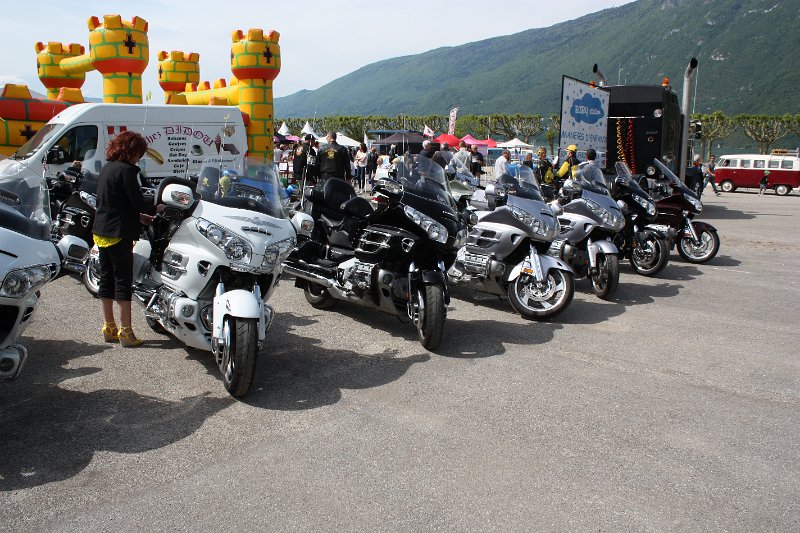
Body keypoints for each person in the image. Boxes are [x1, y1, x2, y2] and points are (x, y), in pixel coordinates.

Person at [92, 131, 160, 347]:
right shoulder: (127, 171)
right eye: (139, 153)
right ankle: (126, 332)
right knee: (123, 281)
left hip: (101, 231)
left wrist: (138, 216)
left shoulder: (107, 168)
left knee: (106, 279)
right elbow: (137, 202)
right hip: (119, 233)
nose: (139, 158)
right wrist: (156, 208)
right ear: (132, 151)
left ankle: (109, 326)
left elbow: (114, 202)